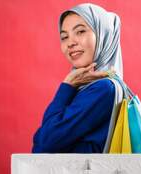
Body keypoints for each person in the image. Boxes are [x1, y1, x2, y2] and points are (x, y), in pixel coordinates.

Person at [32, 3, 124, 153]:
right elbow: (45, 140)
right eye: (64, 37)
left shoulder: (103, 89)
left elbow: (44, 142)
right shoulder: (89, 87)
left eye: (80, 31)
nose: (70, 43)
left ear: (103, 34)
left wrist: (67, 85)